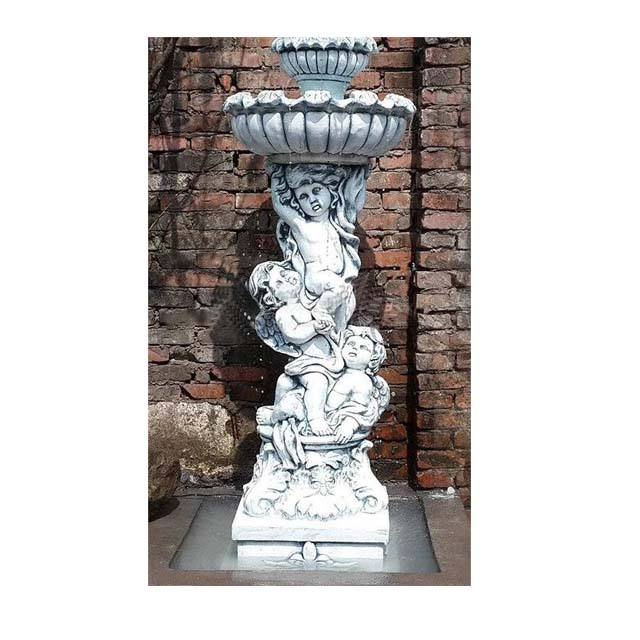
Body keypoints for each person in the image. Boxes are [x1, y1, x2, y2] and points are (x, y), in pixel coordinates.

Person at [247, 260, 343, 436]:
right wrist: (314, 327)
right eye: (279, 283)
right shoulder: (284, 313)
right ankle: (315, 419)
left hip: (327, 360)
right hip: (308, 363)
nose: (287, 279)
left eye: (284, 274)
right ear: (271, 298)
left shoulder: (309, 301)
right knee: (317, 382)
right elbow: (293, 334)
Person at [269, 163, 366, 332]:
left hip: (335, 279)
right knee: (339, 288)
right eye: (303, 197)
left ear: (330, 189)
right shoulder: (302, 226)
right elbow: (279, 206)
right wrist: (277, 175)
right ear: (297, 203)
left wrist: (361, 174)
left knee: (343, 312)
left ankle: (336, 339)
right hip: (316, 277)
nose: (312, 199)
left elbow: (355, 203)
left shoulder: (339, 221)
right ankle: (320, 311)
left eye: (316, 190)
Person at [325, 326, 390, 444]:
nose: (355, 348)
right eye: (351, 344)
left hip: (337, 425)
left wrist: (349, 425)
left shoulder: (362, 381)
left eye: (363, 347)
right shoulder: (335, 372)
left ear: (373, 357)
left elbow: (360, 409)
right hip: (325, 419)